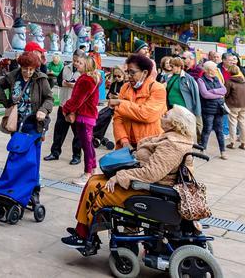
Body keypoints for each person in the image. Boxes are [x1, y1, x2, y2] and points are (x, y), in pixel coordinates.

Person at [62, 106, 200, 253]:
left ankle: (84, 237)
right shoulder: (171, 138)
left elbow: (152, 173)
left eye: (166, 116)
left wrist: (121, 176)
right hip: (148, 185)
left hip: (151, 191)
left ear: (175, 124)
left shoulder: (173, 145)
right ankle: (83, 232)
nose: (162, 116)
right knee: (94, 180)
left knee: (97, 188)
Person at [110, 54, 167, 149]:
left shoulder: (158, 88)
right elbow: (118, 118)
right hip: (127, 144)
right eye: (127, 72)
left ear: (145, 73)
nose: (128, 76)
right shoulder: (125, 87)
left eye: (132, 73)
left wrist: (120, 103)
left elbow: (146, 115)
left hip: (150, 144)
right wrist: (124, 141)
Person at [60, 54, 101, 185]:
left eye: (81, 63)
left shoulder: (85, 80)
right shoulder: (92, 79)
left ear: (87, 66)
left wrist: (65, 108)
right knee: (88, 145)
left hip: (84, 116)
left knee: (86, 145)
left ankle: (87, 173)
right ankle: (92, 169)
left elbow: (77, 100)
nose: (78, 65)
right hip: (88, 115)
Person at [45, 51, 83, 164]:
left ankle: (76, 155)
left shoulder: (84, 71)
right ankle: (55, 152)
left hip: (76, 107)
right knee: (59, 131)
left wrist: (75, 85)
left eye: (78, 61)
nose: (76, 63)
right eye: (74, 60)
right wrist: (65, 83)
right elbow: (59, 81)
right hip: (63, 104)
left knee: (77, 133)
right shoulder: (66, 67)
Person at [163, 57, 202, 140]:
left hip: (184, 109)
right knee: (173, 129)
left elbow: (195, 95)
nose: (171, 68)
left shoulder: (188, 78)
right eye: (170, 66)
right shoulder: (167, 77)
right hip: (171, 108)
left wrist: (197, 111)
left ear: (179, 66)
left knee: (184, 129)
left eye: (172, 66)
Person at [197, 61, 228, 159]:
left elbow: (224, 90)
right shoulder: (201, 80)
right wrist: (219, 95)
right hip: (208, 109)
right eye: (214, 69)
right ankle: (203, 149)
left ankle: (223, 151)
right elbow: (205, 94)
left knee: (219, 130)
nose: (215, 71)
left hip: (218, 109)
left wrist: (213, 91)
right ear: (208, 70)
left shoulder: (217, 79)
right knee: (207, 129)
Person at [224, 62, 245, 150]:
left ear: (229, 72)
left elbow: (226, 94)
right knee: (243, 123)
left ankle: (232, 142)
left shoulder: (229, 82)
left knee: (232, 124)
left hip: (233, 105)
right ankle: (244, 143)